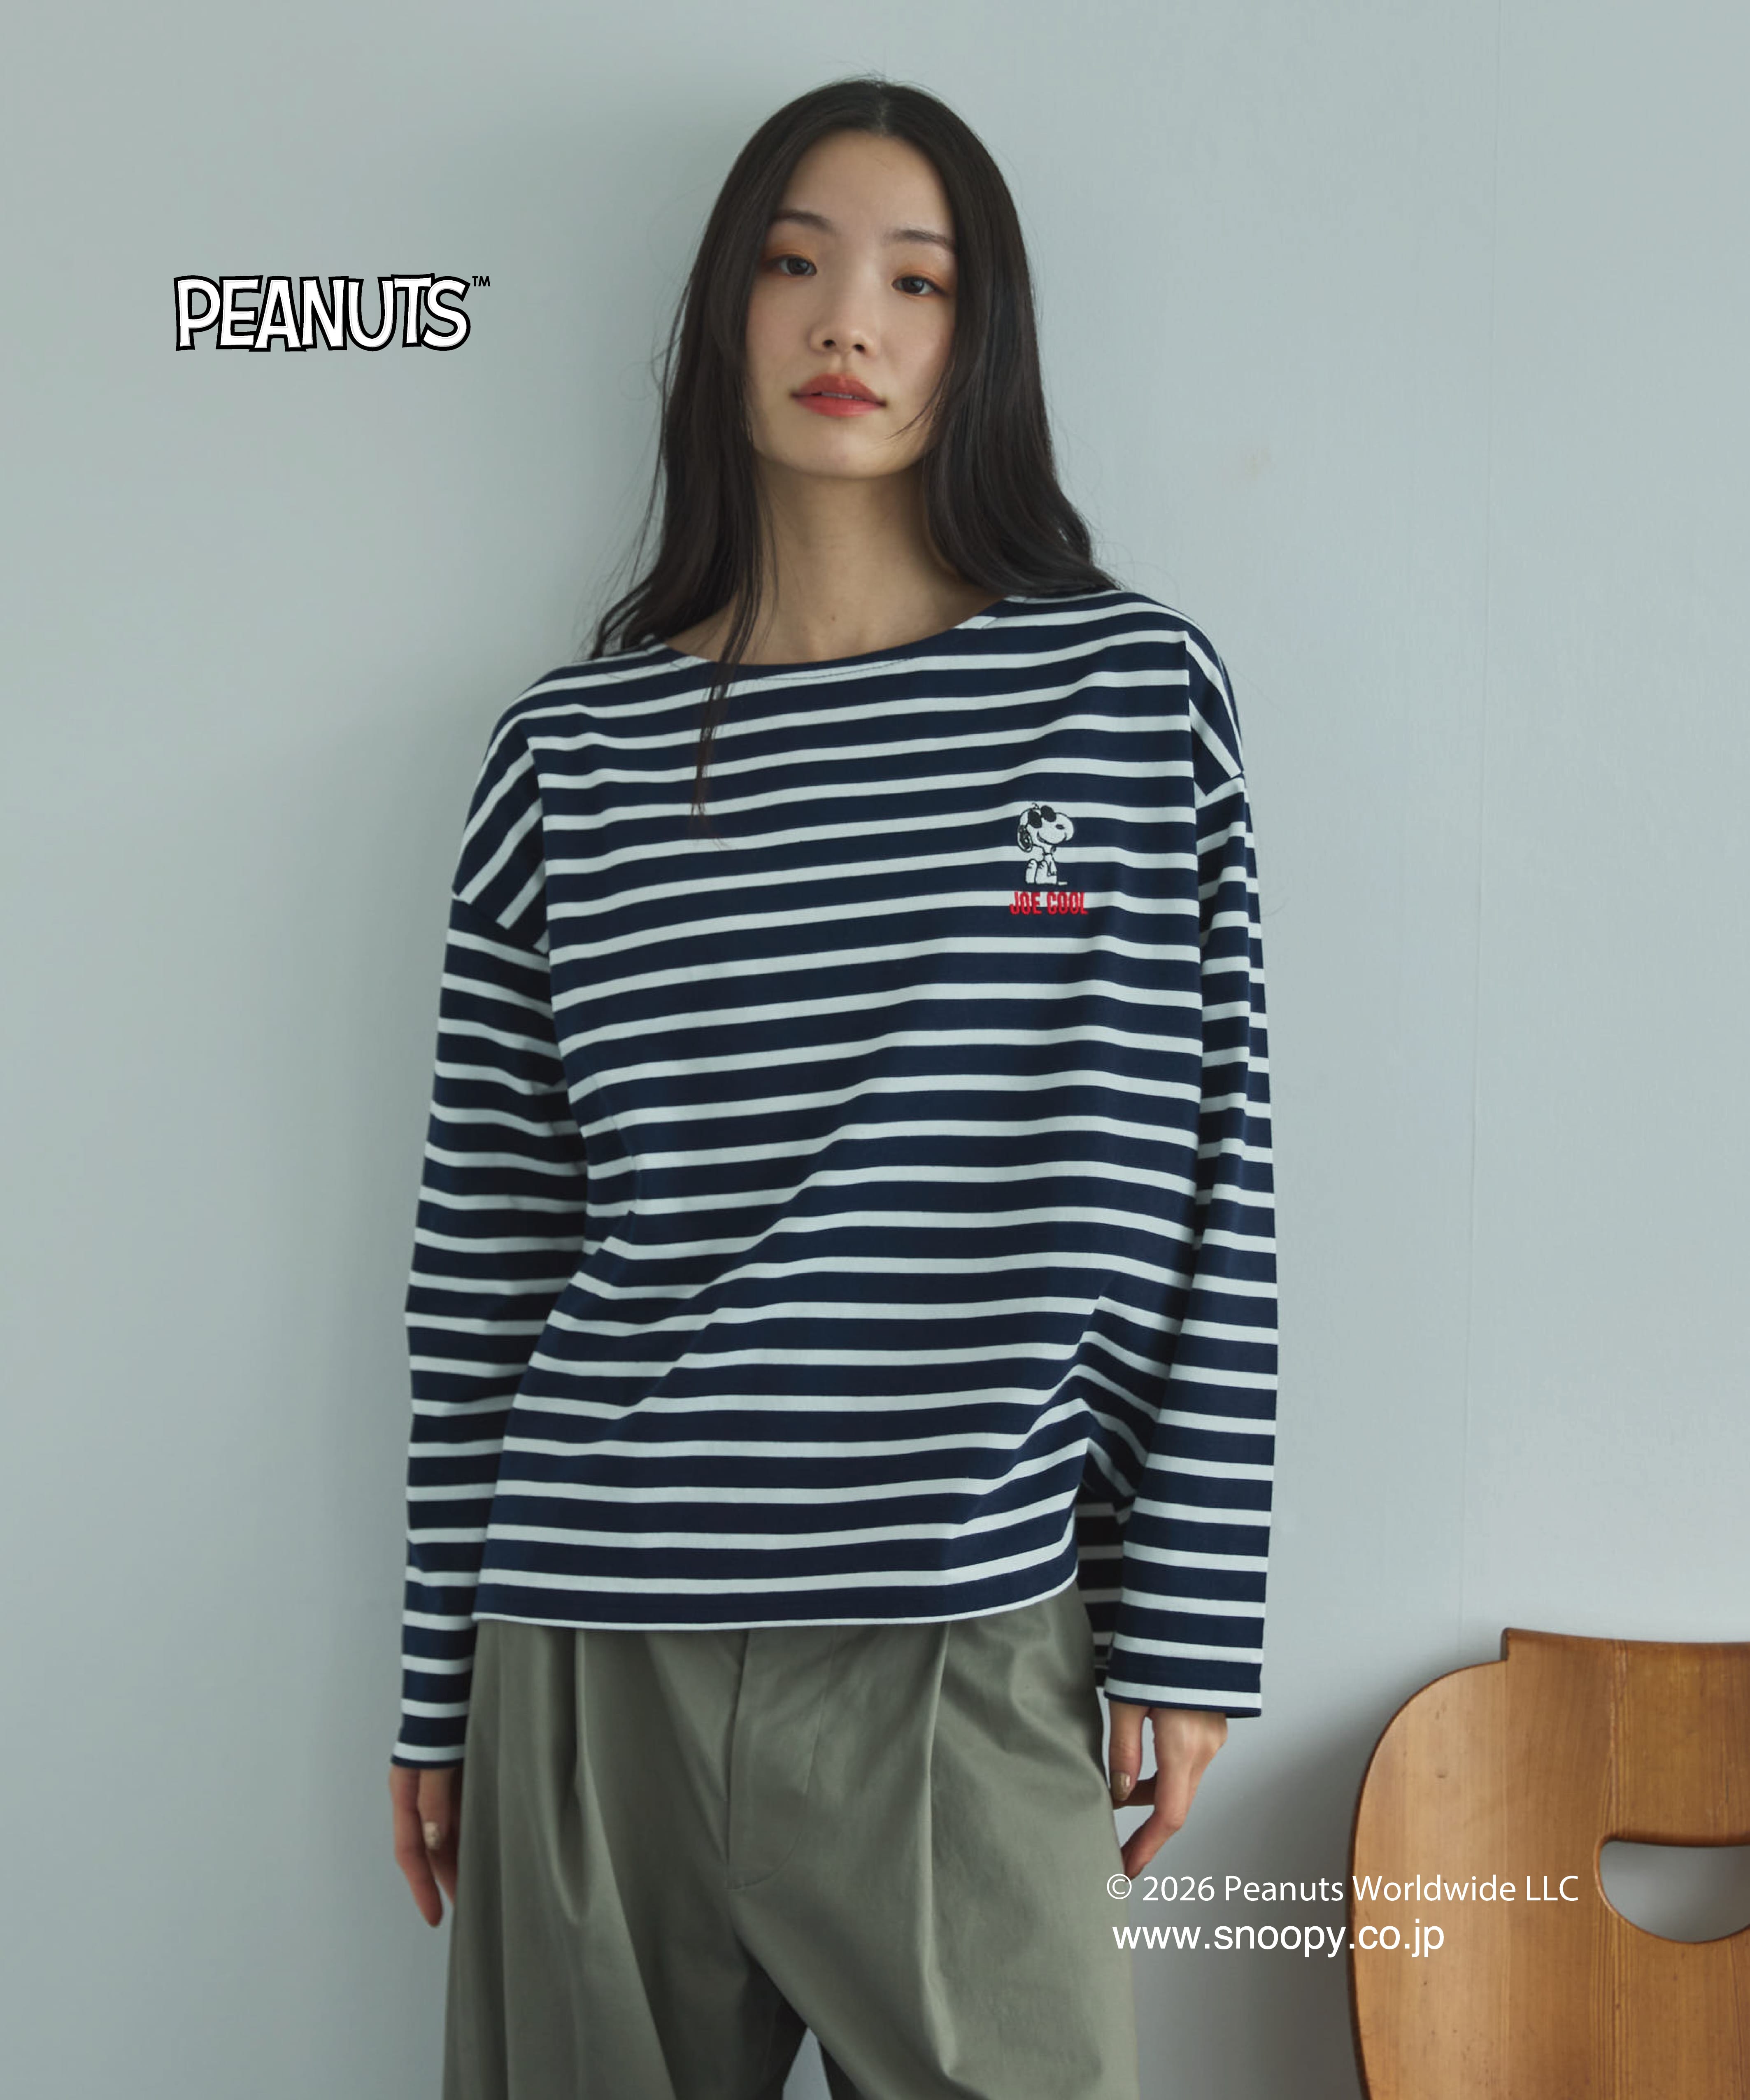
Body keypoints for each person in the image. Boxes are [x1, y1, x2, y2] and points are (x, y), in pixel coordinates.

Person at [387, 73, 1276, 2100]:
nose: (847, 321)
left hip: (963, 1633)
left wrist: (1184, 1617)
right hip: (594, 1636)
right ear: (725, 314)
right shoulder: (570, 757)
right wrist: (437, 1678)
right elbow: (488, 1254)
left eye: (915, 281)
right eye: (792, 264)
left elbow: (1213, 1170)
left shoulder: (1124, 699)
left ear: (983, 339)